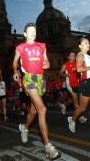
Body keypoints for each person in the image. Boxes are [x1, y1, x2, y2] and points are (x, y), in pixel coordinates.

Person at [13, 22, 60, 159]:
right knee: (42, 109)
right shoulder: (20, 47)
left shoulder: (41, 46)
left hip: (41, 80)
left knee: (33, 111)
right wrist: (15, 71)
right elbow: (15, 61)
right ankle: (48, 147)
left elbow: (47, 62)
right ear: (25, 34)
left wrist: (47, 63)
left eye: (34, 30)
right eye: (30, 31)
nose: (33, 32)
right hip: (29, 79)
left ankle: (24, 128)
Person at [59, 52, 87, 123]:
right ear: (69, 57)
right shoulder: (66, 64)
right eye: (72, 55)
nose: (74, 56)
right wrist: (65, 75)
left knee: (79, 99)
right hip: (70, 83)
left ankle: (64, 105)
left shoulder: (77, 63)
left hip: (78, 83)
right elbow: (60, 73)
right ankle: (80, 116)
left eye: (74, 55)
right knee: (75, 99)